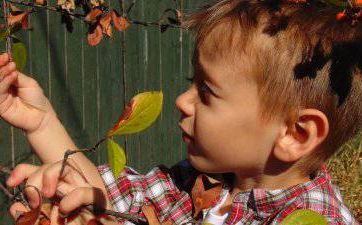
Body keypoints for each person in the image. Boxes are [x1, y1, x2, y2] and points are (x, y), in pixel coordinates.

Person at [1, 0, 361, 224]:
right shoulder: (200, 183)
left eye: (206, 91)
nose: (181, 101)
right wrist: (42, 121)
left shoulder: (316, 219)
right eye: (193, 81)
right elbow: (106, 198)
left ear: (295, 134)